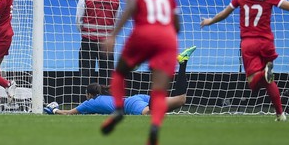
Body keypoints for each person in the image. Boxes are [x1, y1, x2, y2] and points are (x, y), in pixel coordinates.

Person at [200, 0, 289, 121]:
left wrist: (210, 21)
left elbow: (225, 13)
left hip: (249, 43)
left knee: (254, 83)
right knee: (269, 81)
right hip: (267, 43)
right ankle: (280, 114)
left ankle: (263, 74)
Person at [101, 0, 180, 145]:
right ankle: (154, 128)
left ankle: (119, 108)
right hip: (168, 37)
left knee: (120, 72)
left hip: (143, 33)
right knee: (159, 91)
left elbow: (130, 7)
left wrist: (113, 35)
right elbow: (177, 24)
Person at [44, 46, 197, 115]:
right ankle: (182, 63)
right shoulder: (106, 95)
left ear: (90, 94)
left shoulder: (91, 102)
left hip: (133, 105)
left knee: (151, 112)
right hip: (138, 98)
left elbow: (68, 113)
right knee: (181, 100)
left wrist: (54, 109)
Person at [75, 0, 120, 86]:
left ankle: (86, 99)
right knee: (107, 72)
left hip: (88, 40)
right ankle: (107, 100)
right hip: (106, 42)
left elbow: (79, 20)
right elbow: (117, 20)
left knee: (86, 71)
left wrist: (86, 32)